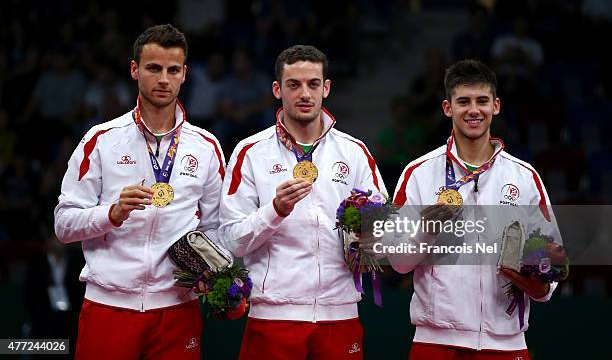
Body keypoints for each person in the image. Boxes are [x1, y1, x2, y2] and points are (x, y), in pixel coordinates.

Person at [54, 24, 225, 359]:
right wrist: (112, 213)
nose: (163, 79)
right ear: (135, 70)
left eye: (173, 70)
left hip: (178, 309)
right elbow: (63, 224)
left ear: (184, 74)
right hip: (109, 305)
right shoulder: (101, 140)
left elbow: (216, 229)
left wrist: (212, 271)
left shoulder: (206, 146)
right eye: (153, 68)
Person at [218, 45, 386, 359]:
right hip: (274, 316)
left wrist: (369, 237)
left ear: (326, 88)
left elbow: (385, 228)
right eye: (294, 85)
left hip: (340, 314)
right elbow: (231, 240)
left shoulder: (354, 152)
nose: (304, 93)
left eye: (312, 84)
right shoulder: (250, 152)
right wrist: (274, 210)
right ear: (277, 89)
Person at [387, 59, 561, 359]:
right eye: (463, 101)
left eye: (482, 101)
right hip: (436, 341)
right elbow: (398, 262)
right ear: (447, 108)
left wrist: (540, 283)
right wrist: (425, 232)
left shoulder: (524, 177)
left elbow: (554, 256)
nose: (473, 110)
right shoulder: (419, 173)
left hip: (506, 341)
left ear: (496, 106)